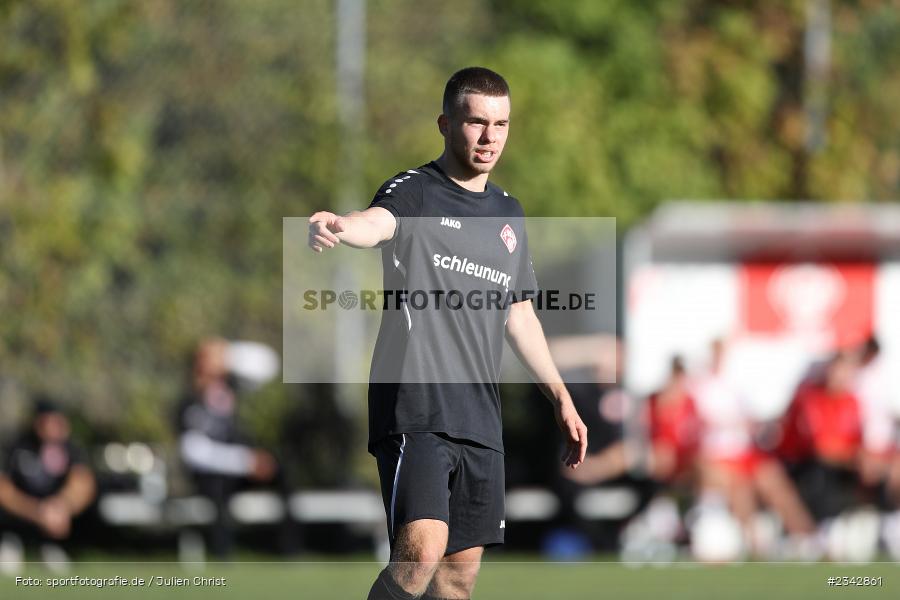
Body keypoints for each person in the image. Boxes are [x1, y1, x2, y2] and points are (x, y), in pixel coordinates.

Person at [308, 67, 587, 600]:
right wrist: (344, 227)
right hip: (416, 404)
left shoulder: (508, 212)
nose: (489, 137)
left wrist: (559, 396)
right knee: (421, 554)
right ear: (444, 123)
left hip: (478, 413)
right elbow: (378, 222)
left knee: (457, 579)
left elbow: (519, 314)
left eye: (501, 124)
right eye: (476, 122)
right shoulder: (416, 192)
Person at [177, 338, 282, 559]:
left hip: (242, 468)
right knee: (218, 490)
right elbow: (194, 452)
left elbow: (269, 364)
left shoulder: (231, 388)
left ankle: (290, 550)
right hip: (212, 475)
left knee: (283, 472)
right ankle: (223, 555)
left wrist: (230, 354)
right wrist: (245, 462)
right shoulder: (189, 402)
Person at [0, 397, 96, 572]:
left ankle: (50, 547)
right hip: (19, 518)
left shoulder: (70, 448)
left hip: (54, 518)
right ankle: (11, 544)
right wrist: (37, 511)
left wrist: (62, 506)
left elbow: (83, 483)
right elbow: (4, 490)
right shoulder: (17, 446)